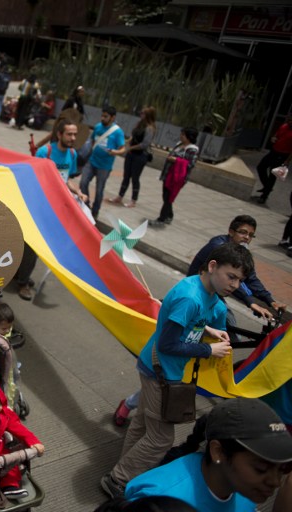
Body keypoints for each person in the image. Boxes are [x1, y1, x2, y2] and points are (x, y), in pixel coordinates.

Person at [102, 243, 253, 499]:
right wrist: (209, 351)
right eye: (232, 277)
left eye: (240, 280)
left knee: (142, 424)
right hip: (159, 372)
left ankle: (126, 469)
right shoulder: (190, 297)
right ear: (213, 266)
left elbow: (189, 324)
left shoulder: (206, 293)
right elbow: (168, 344)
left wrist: (208, 331)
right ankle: (118, 479)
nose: (235, 285)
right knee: (161, 439)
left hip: (160, 370)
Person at [125, 398, 292, 511]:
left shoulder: (245, 489)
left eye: (282, 469)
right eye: (261, 468)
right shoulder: (159, 502)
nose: (276, 482)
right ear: (218, 451)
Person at [15, 120, 87, 301]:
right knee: (32, 245)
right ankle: (22, 282)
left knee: (40, 246)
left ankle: (20, 274)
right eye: (69, 134)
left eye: (75, 134)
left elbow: (66, 179)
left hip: (55, 209)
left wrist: (77, 192)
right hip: (38, 205)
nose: (73, 138)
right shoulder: (44, 152)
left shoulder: (72, 154)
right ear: (59, 135)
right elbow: (32, 177)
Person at [80, 106, 126, 219]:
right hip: (91, 161)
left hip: (105, 166)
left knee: (99, 189)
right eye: (102, 115)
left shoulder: (117, 132)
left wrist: (116, 152)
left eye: (106, 116)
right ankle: (86, 205)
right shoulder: (98, 127)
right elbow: (92, 140)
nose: (102, 118)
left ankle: (95, 211)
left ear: (112, 117)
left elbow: (123, 148)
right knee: (83, 183)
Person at [150, 128, 199, 227]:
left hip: (177, 177)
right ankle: (169, 215)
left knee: (168, 197)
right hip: (168, 174)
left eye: (183, 135)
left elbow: (191, 164)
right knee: (166, 196)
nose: (181, 136)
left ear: (189, 137)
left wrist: (176, 160)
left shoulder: (192, 149)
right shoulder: (179, 144)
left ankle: (161, 219)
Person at [109, 107, 157, 208]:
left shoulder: (149, 128)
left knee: (135, 177)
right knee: (126, 176)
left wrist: (131, 147)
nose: (141, 114)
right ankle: (120, 196)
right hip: (131, 154)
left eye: (143, 113)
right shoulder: (140, 124)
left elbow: (144, 144)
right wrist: (127, 142)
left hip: (140, 155)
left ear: (148, 115)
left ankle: (133, 200)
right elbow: (133, 136)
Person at [254, 113, 292, 204]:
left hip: (284, 155)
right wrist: (273, 138)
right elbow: (276, 135)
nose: (290, 121)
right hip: (274, 151)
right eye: (290, 119)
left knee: (274, 174)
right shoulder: (284, 126)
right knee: (261, 167)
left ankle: (264, 196)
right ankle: (267, 187)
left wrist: (287, 161)